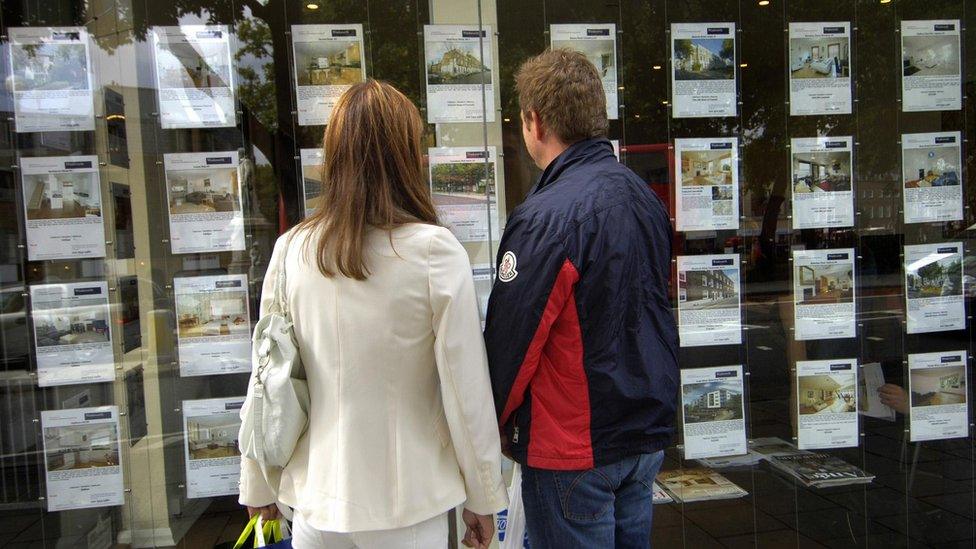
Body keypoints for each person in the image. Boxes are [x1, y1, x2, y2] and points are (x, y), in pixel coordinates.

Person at [238, 80, 507, 549]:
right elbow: (466, 393)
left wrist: (257, 483)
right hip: (407, 505)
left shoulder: (291, 251)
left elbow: (266, 378)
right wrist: (483, 496)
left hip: (316, 501)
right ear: (406, 155)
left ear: (335, 156)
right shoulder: (433, 252)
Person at [484, 49, 678, 548]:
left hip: (575, 448)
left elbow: (514, 343)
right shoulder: (642, 198)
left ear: (534, 121)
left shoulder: (545, 216)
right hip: (640, 435)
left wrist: (491, 430)